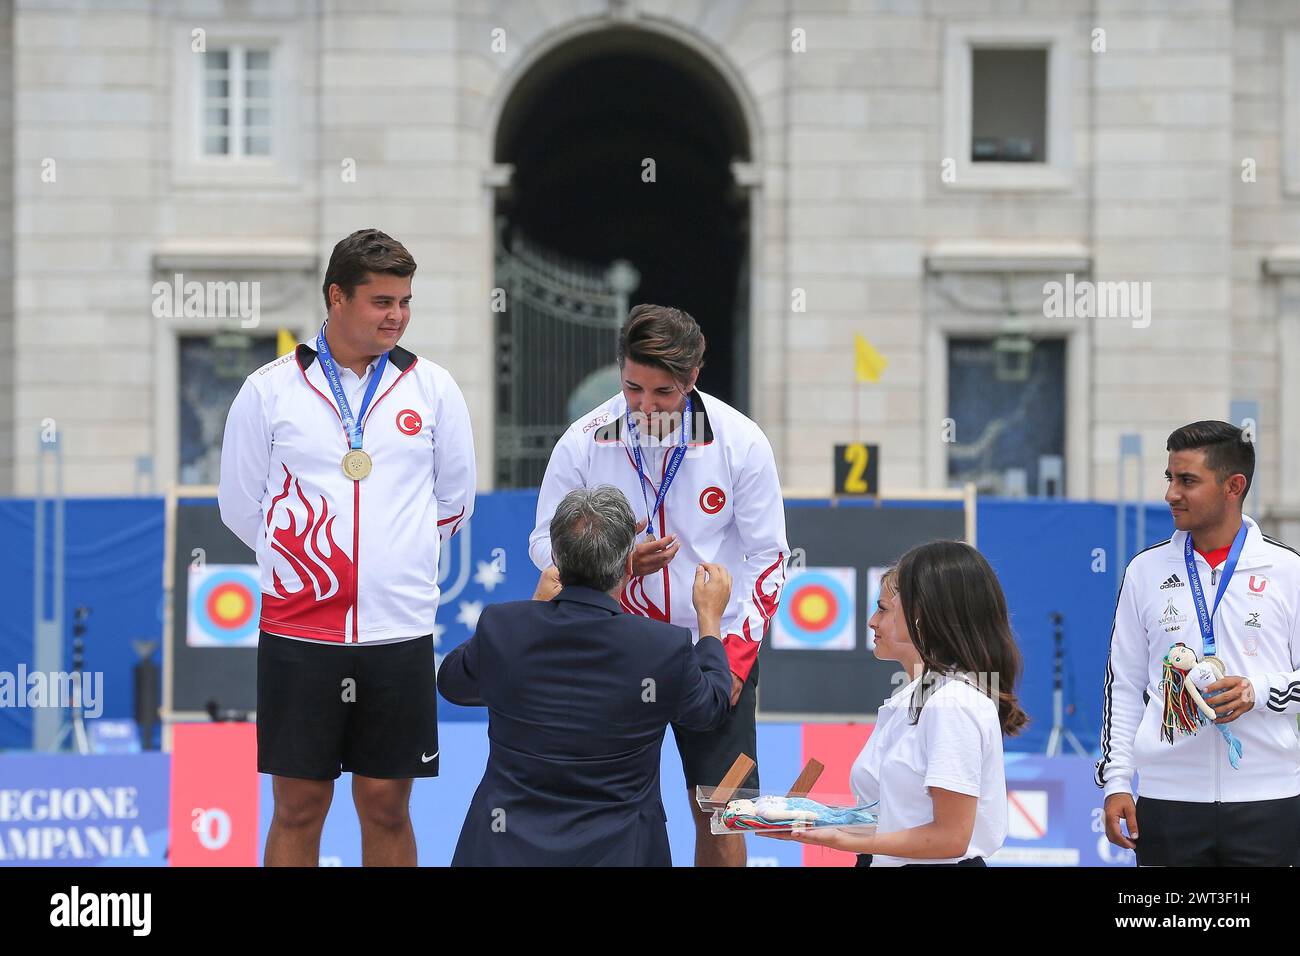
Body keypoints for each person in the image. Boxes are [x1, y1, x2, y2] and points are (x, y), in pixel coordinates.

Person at [218, 228, 476, 866]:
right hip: (300, 630)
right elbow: (239, 505)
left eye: (405, 302)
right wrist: (302, 568)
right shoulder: (269, 389)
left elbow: (455, 500)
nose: (397, 316)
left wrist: (394, 561)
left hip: (399, 631)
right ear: (337, 297)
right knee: (299, 806)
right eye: (382, 301)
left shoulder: (434, 388)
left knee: (388, 804)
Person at [528, 304, 788, 867]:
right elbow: (542, 543)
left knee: (721, 812)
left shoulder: (740, 442)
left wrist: (736, 657)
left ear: (693, 379)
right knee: (605, 806)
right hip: (614, 646)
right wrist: (612, 564)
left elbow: (769, 558)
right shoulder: (585, 439)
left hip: (709, 648)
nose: (644, 407)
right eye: (632, 388)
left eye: (663, 393)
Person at [438, 486, 733, 866]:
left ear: (556, 558)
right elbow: (711, 709)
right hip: (622, 851)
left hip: (503, 848)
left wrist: (534, 607)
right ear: (629, 564)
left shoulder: (504, 627)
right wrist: (709, 620)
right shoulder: (663, 647)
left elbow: (453, 683)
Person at [1097, 420, 1300, 865]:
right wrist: (1116, 782)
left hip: (1270, 799)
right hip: (1168, 802)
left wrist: (1259, 691)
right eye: (1170, 478)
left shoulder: (1288, 571)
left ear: (1233, 486)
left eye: (1187, 480)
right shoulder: (1145, 571)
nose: (1171, 493)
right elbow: (1126, 686)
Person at [765, 542, 1026, 865]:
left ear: (922, 614)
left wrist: (840, 838)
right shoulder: (920, 697)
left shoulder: (953, 703)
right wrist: (815, 822)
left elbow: (951, 836)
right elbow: (898, 818)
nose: (873, 621)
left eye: (885, 608)